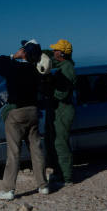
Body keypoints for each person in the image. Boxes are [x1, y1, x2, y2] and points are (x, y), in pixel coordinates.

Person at [0, 39, 51, 200]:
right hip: (33, 111)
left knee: (14, 152)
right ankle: (43, 185)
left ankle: (8, 189)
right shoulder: (36, 70)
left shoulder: (14, 67)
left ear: (23, 52)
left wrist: (13, 56)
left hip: (16, 113)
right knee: (36, 149)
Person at [43, 39, 77, 186]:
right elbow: (50, 58)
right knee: (53, 142)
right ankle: (58, 172)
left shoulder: (67, 68)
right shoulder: (62, 64)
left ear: (62, 53)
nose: (54, 52)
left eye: (56, 50)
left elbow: (62, 94)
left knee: (60, 143)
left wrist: (48, 88)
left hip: (63, 110)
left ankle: (67, 177)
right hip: (57, 109)